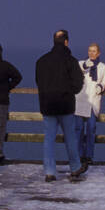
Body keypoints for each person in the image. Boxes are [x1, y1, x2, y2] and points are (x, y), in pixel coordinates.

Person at [35, 30, 88, 182]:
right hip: (65, 105)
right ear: (66, 42)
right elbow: (78, 84)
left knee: (49, 139)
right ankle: (75, 167)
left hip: (47, 105)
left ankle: (50, 171)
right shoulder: (71, 61)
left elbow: (39, 81)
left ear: (53, 41)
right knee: (70, 137)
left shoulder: (41, 61)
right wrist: (68, 91)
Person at [74, 43, 105, 165]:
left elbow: (104, 83)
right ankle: (78, 155)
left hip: (93, 102)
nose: (91, 53)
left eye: (94, 51)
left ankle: (88, 155)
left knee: (91, 129)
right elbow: (77, 71)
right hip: (80, 100)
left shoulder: (103, 67)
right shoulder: (81, 63)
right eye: (90, 51)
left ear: (98, 53)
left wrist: (101, 87)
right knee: (78, 129)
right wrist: (85, 65)